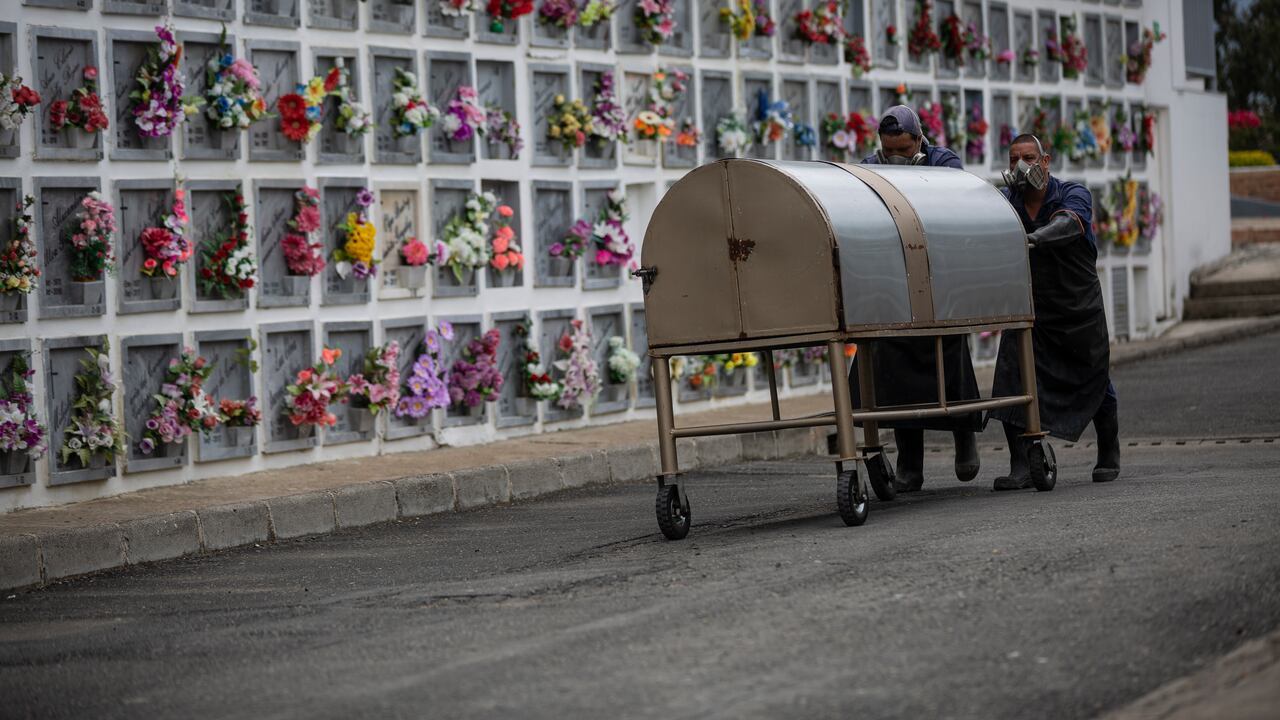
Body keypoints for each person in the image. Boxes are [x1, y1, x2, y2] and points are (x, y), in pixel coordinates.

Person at [848, 105, 982, 493]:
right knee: (892, 371)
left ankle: (964, 436)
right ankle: (910, 462)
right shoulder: (868, 167)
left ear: (919, 140)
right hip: (895, 280)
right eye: (889, 150)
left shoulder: (945, 163)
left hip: (938, 278)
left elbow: (951, 204)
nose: (896, 158)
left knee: (949, 358)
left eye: (904, 150)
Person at [987, 133, 1121, 490]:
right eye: (1015, 158)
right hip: (1033, 307)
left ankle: (1109, 449)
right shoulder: (1005, 201)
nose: (1022, 166)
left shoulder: (1073, 193)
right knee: (1011, 378)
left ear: (1045, 162)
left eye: (1029, 157)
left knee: (1093, 377)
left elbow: (1070, 223)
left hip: (1077, 306)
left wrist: (1033, 238)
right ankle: (1020, 465)